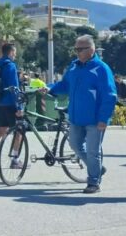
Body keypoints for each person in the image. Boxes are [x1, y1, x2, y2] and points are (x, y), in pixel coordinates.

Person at [48, 35, 117, 194]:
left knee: (93, 151)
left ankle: (93, 182)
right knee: (75, 145)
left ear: (92, 49)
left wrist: (104, 118)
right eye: (76, 49)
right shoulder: (73, 66)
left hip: (95, 119)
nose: (77, 52)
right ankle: (97, 168)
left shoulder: (101, 68)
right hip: (75, 117)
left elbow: (110, 95)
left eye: (81, 49)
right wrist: (50, 89)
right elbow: (65, 85)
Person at [0, 43, 25, 169]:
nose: (15, 56)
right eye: (14, 53)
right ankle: (15, 159)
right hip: (10, 103)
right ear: (11, 52)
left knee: (2, 128)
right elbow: (14, 88)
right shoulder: (10, 65)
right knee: (19, 131)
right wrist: (19, 108)